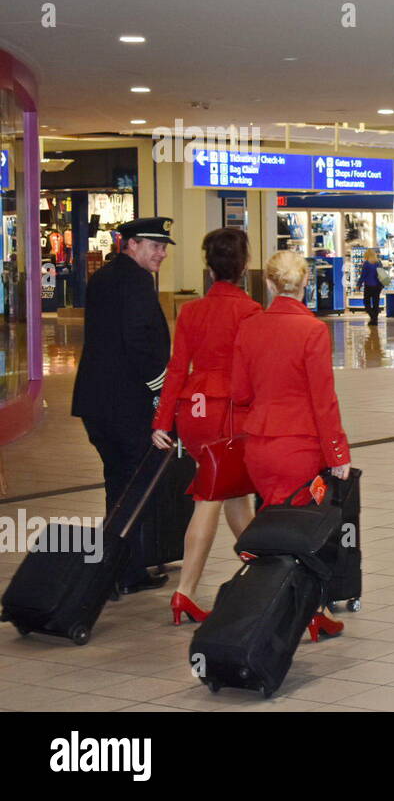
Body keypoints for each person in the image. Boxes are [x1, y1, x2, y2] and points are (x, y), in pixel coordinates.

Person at [230, 249, 351, 642]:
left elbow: (239, 391)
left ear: (267, 283)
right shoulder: (312, 331)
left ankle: (273, 608)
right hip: (299, 448)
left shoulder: (250, 328)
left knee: (273, 524)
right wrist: (338, 453)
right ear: (306, 284)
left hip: (260, 446)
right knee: (302, 535)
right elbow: (323, 400)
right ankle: (300, 614)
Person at [150, 228, 260, 624]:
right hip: (229, 414)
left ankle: (264, 569)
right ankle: (186, 593)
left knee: (233, 496)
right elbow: (254, 373)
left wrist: (162, 421)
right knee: (211, 497)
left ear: (208, 268)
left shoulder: (192, 311)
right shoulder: (250, 312)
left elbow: (176, 368)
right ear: (244, 266)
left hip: (193, 413)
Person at [71, 216, 176, 595]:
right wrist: (162, 389)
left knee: (117, 482)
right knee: (136, 486)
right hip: (127, 403)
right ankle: (121, 570)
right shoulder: (136, 281)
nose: (161, 252)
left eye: (164, 246)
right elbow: (137, 341)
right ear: (129, 243)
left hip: (96, 403)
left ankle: (120, 567)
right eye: (154, 244)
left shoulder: (103, 277)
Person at [358, 248, 384, 325]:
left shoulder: (366, 264)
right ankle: (374, 320)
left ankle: (373, 317)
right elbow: (382, 274)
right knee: (376, 303)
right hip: (377, 286)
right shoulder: (378, 263)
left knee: (366, 302)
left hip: (368, 286)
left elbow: (363, 276)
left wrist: (359, 284)